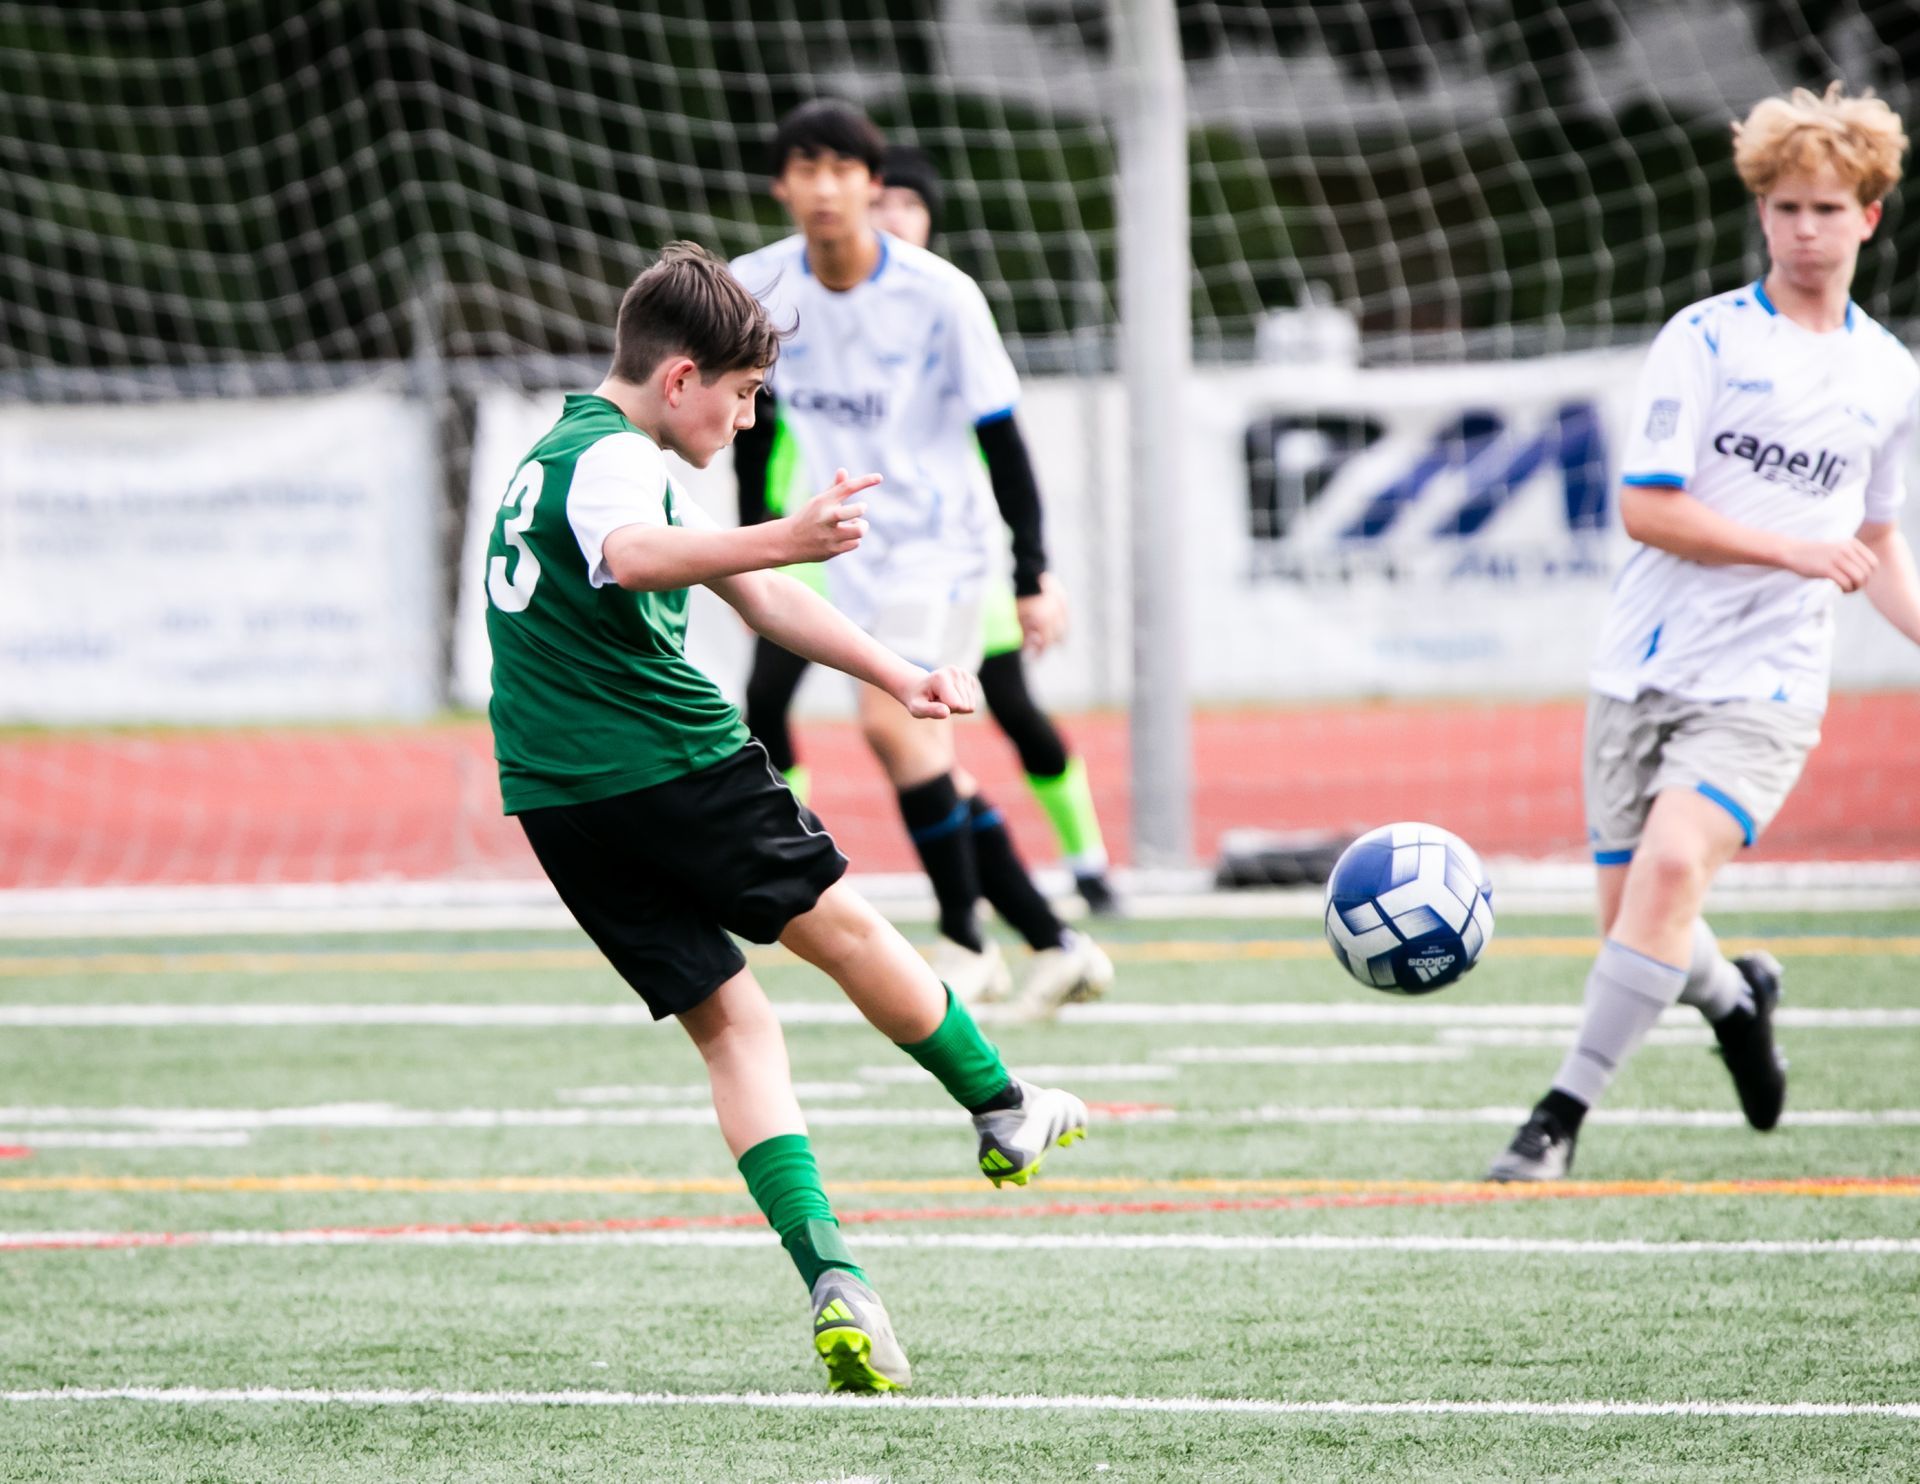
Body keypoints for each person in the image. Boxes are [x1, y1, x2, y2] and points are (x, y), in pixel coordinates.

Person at [482, 241, 1091, 1391]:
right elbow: (636, 555)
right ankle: (1004, 1105)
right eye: (746, 392)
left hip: (558, 800)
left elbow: (755, 597)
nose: (753, 418)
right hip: (665, 761)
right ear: (679, 380)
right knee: (852, 931)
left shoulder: (554, 452)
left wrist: (897, 667)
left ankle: (832, 1274)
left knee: (735, 1027)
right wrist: (779, 531)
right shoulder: (617, 460)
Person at [1489, 83, 1918, 1182]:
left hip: (1768, 683)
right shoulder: (1706, 338)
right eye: (1785, 207)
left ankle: (1555, 1120)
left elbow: (1873, 539)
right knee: (1637, 925)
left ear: (1870, 216)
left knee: (1674, 868)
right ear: (1761, 214)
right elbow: (1650, 508)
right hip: (1640, 670)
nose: (1805, 229)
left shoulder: (1889, 377)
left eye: (1828, 208)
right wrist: (1798, 550)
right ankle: (1738, 997)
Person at [730, 102, 1115, 1018]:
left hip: (941, 552)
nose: (824, 187)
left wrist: (1034, 574)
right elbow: (756, 423)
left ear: (871, 182)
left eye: (842, 169)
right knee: (928, 754)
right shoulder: (760, 284)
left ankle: (966, 939)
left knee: (891, 723)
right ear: (781, 185)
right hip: (851, 553)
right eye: (804, 168)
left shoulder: (940, 294)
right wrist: (753, 547)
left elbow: (1004, 439)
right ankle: (1053, 942)